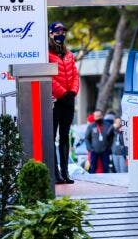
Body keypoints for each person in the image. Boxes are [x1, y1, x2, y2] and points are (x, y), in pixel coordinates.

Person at [48, 21, 79, 185]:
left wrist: (73, 92)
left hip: (69, 100)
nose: (62, 34)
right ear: (51, 34)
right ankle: (55, 173)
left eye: (63, 32)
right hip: (55, 100)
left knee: (65, 136)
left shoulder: (69, 54)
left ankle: (66, 173)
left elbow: (75, 75)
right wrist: (62, 93)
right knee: (52, 136)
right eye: (58, 31)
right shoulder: (46, 53)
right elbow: (50, 77)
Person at [85, 109, 114, 174]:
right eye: (96, 116)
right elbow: (86, 138)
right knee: (93, 168)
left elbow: (112, 137)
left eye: (99, 116)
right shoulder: (91, 126)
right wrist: (89, 149)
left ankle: (106, 182)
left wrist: (109, 147)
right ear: (94, 117)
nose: (98, 118)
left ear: (102, 116)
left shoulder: (108, 125)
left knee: (106, 168)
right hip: (94, 151)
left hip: (105, 151)